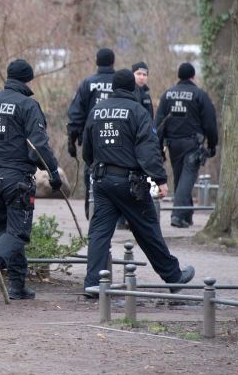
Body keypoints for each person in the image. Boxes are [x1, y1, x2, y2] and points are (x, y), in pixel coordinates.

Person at [82, 69, 194, 296]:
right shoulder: (137, 111)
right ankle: (173, 277)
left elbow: (87, 148)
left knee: (99, 233)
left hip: (102, 182)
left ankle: (93, 284)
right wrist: (160, 179)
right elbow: (148, 150)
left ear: (113, 87)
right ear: (133, 87)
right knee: (148, 231)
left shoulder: (97, 110)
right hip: (129, 184)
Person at [0, 59, 62, 301]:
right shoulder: (28, 105)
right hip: (16, 178)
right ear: (28, 80)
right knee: (18, 233)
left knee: (7, 231)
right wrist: (53, 174)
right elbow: (38, 145)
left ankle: (17, 285)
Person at [154, 63, 218, 228]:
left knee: (180, 179)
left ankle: (186, 216)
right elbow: (210, 122)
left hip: (173, 144)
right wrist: (212, 144)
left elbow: (159, 123)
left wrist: (158, 146)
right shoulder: (199, 95)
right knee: (187, 178)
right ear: (193, 76)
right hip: (192, 144)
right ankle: (178, 215)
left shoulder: (167, 95)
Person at [67, 48, 116, 219]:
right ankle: (118, 215)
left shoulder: (88, 83)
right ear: (113, 62)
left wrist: (71, 140)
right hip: (119, 137)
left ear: (97, 62)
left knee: (92, 172)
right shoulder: (121, 82)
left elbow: (76, 114)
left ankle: (92, 210)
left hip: (93, 138)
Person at [117, 61, 154, 230]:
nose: (142, 77)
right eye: (138, 74)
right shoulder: (132, 95)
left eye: (144, 74)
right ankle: (125, 219)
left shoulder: (146, 95)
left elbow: (151, 122)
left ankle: (129, 219)